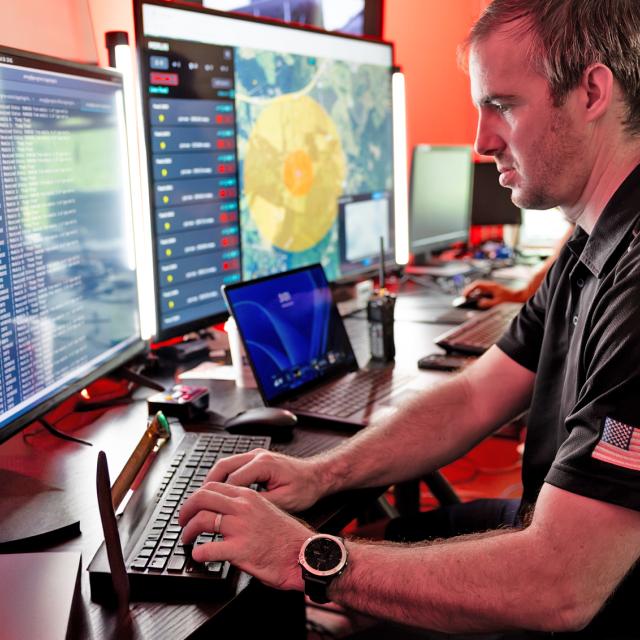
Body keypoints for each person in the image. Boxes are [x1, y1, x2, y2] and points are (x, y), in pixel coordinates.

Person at [179, 1, 640, 636]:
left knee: (318, 601)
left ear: (591, 91)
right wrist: (321, 474)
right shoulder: (592, 241)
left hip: (581, 590)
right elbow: (477, 394)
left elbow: (562, 584)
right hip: (548, 534)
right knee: (367, 549)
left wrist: (300, 556)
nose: (481, 140)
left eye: (502, 105)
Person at [463, 225, 574, 309]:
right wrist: (518, 296)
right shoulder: (577, 227)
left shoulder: (582, 227)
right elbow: (556, 263)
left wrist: (520, 296)